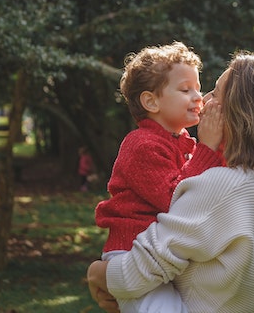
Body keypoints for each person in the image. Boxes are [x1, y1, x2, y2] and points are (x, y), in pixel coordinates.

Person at [87, 51, 254, 313]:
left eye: (215, 93)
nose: (203, 100)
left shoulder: (221, 185)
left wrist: (97, 273)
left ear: (241, 113)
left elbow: (137, 272)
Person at [93, 41, 225, 313]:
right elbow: (177, 200)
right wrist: (208, 148)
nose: (198, 97)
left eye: (198, 88)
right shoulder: (142, 145)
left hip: (162, 253)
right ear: (151, 101)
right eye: (185, 89)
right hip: (133, 254)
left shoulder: (179, 142)